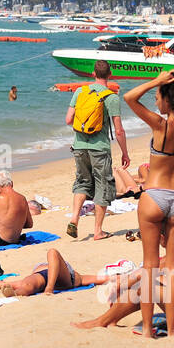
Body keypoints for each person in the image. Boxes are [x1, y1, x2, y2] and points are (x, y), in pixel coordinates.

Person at [122, 69, 174, 337]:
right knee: (173, 268)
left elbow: (129, 97)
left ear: (167, 99)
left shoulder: (161, 125)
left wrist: (158, 81)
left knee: (149, 266)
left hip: (155, 195)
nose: (156, 102)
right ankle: (171, 329)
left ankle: (147, 329)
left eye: (158, 97)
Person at [75, 237, 174, 332]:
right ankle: (111, 319)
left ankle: (102, 321)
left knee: (144, 285)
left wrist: (118, 287)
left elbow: (144, 272)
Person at [67, 59, 129, 241]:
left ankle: (74, 219)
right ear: (110, 75)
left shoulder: (80, 91)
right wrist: (125, 152)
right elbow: (118, 130)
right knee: (103, 185)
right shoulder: (111, 97)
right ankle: (98, 231)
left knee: (82, 182)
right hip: (99, 149)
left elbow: (68, 119)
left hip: (79, 146)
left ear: (93, 74)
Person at [0, 247, 108, 298]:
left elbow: (98, 278)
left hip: (64, 278)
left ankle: (48, 288)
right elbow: (3, 283)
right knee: (24, 286)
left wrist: (114, 278)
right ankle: (15, 294)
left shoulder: (77, 276)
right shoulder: (79, 276)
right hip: (42, 276)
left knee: (52, 252)